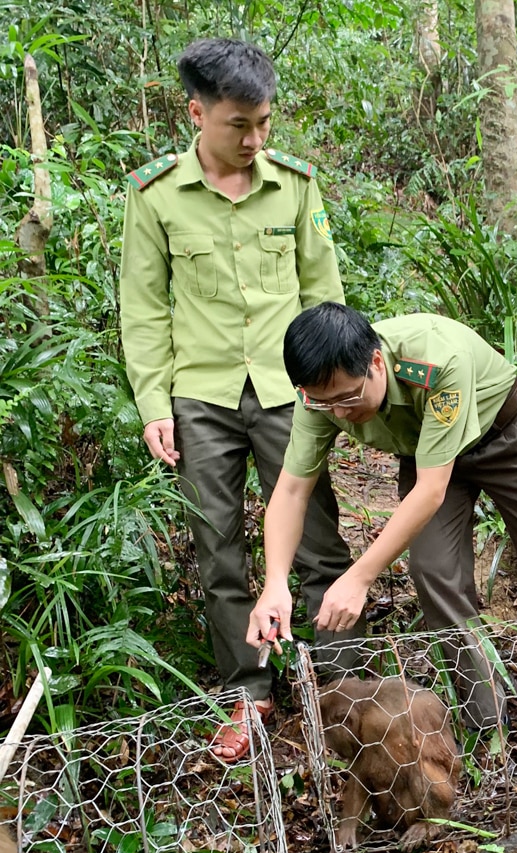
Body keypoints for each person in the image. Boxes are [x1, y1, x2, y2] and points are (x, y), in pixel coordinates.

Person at [119, 37, 359, 762]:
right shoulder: (155, 194)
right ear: (197, 113)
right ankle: (248, 691)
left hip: (292, 391)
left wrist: (336, 385)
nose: (255, 139)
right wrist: (154, 402)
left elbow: (324, 292)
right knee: (217, 547)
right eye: (238, 125)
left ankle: (339, 682)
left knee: (316, 534)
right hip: (202, 394)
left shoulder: (294, 185)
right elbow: (142, 307)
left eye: (264, 124)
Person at [247, 303, 517, 728]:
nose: (338, 413)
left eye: (347, 398)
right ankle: (486, 726)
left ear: (377, 362)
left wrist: (359, 578)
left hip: (503, 437)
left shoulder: (435, 361)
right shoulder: (321, 396)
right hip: (425, 452)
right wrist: (275, 584)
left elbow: (430, 490)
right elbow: (291, 489)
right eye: (324, 404)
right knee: (435, 571)